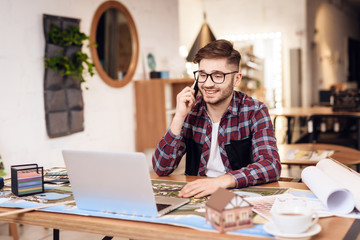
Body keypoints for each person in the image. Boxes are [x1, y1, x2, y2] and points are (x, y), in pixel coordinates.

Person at [152, 39, 281, 198]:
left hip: (238, 195)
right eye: (203, 75)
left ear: (237, 79)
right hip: (196, 196)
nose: (208, 84)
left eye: (218, 76)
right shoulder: (191, 110)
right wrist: (179, 117)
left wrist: (221, 181)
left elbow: (271, 165)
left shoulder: (255, 111)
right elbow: (161, 168)